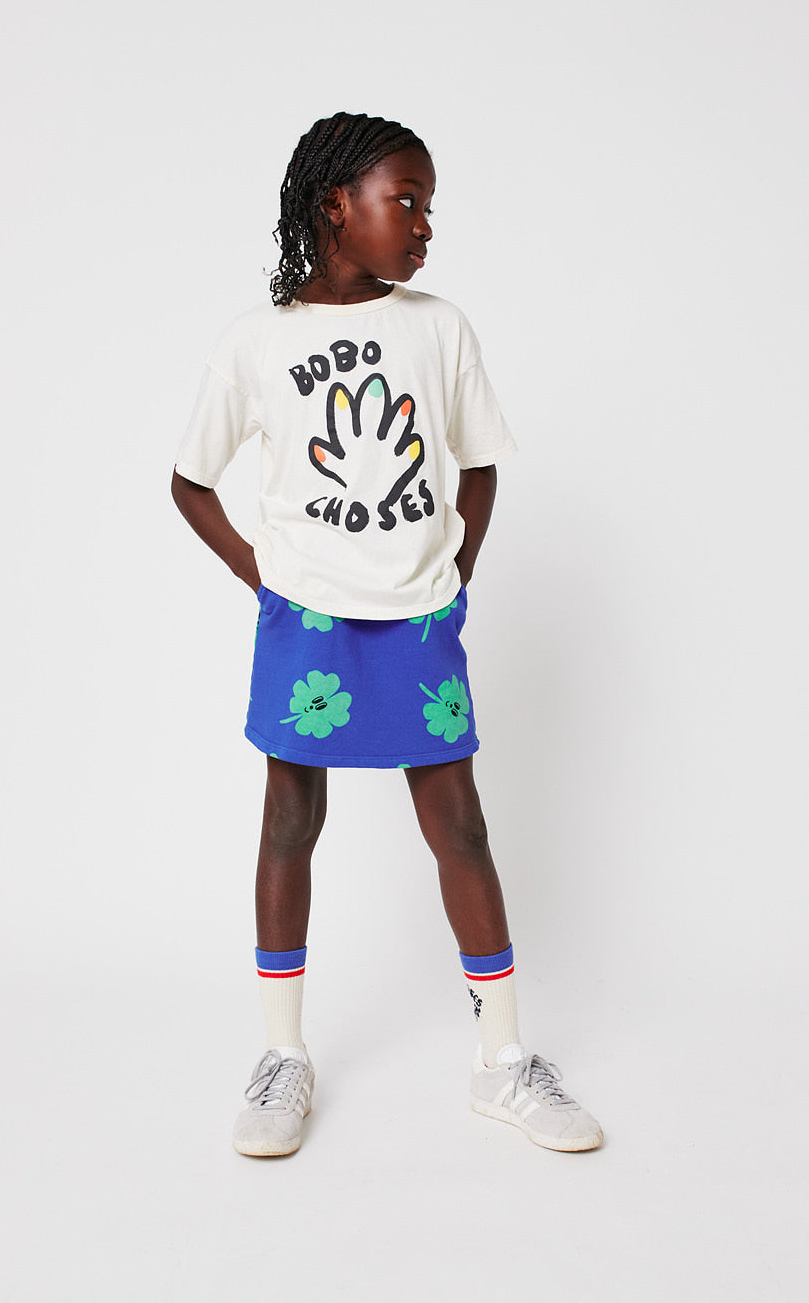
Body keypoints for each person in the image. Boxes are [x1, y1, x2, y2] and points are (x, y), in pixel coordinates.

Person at [172, 112, 603, 1156]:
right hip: (307, 620)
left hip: (417, 619)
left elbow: (479, 462)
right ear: (336, 205)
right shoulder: (256, 341)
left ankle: (503, 1060)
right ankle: (283, 1054)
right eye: (403, 201)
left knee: (460, 827)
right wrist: (263, 575)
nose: (422, 225)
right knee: (289, 820)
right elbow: (190, 482)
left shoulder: (439, 328)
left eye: (428, 207)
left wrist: (456, 572)